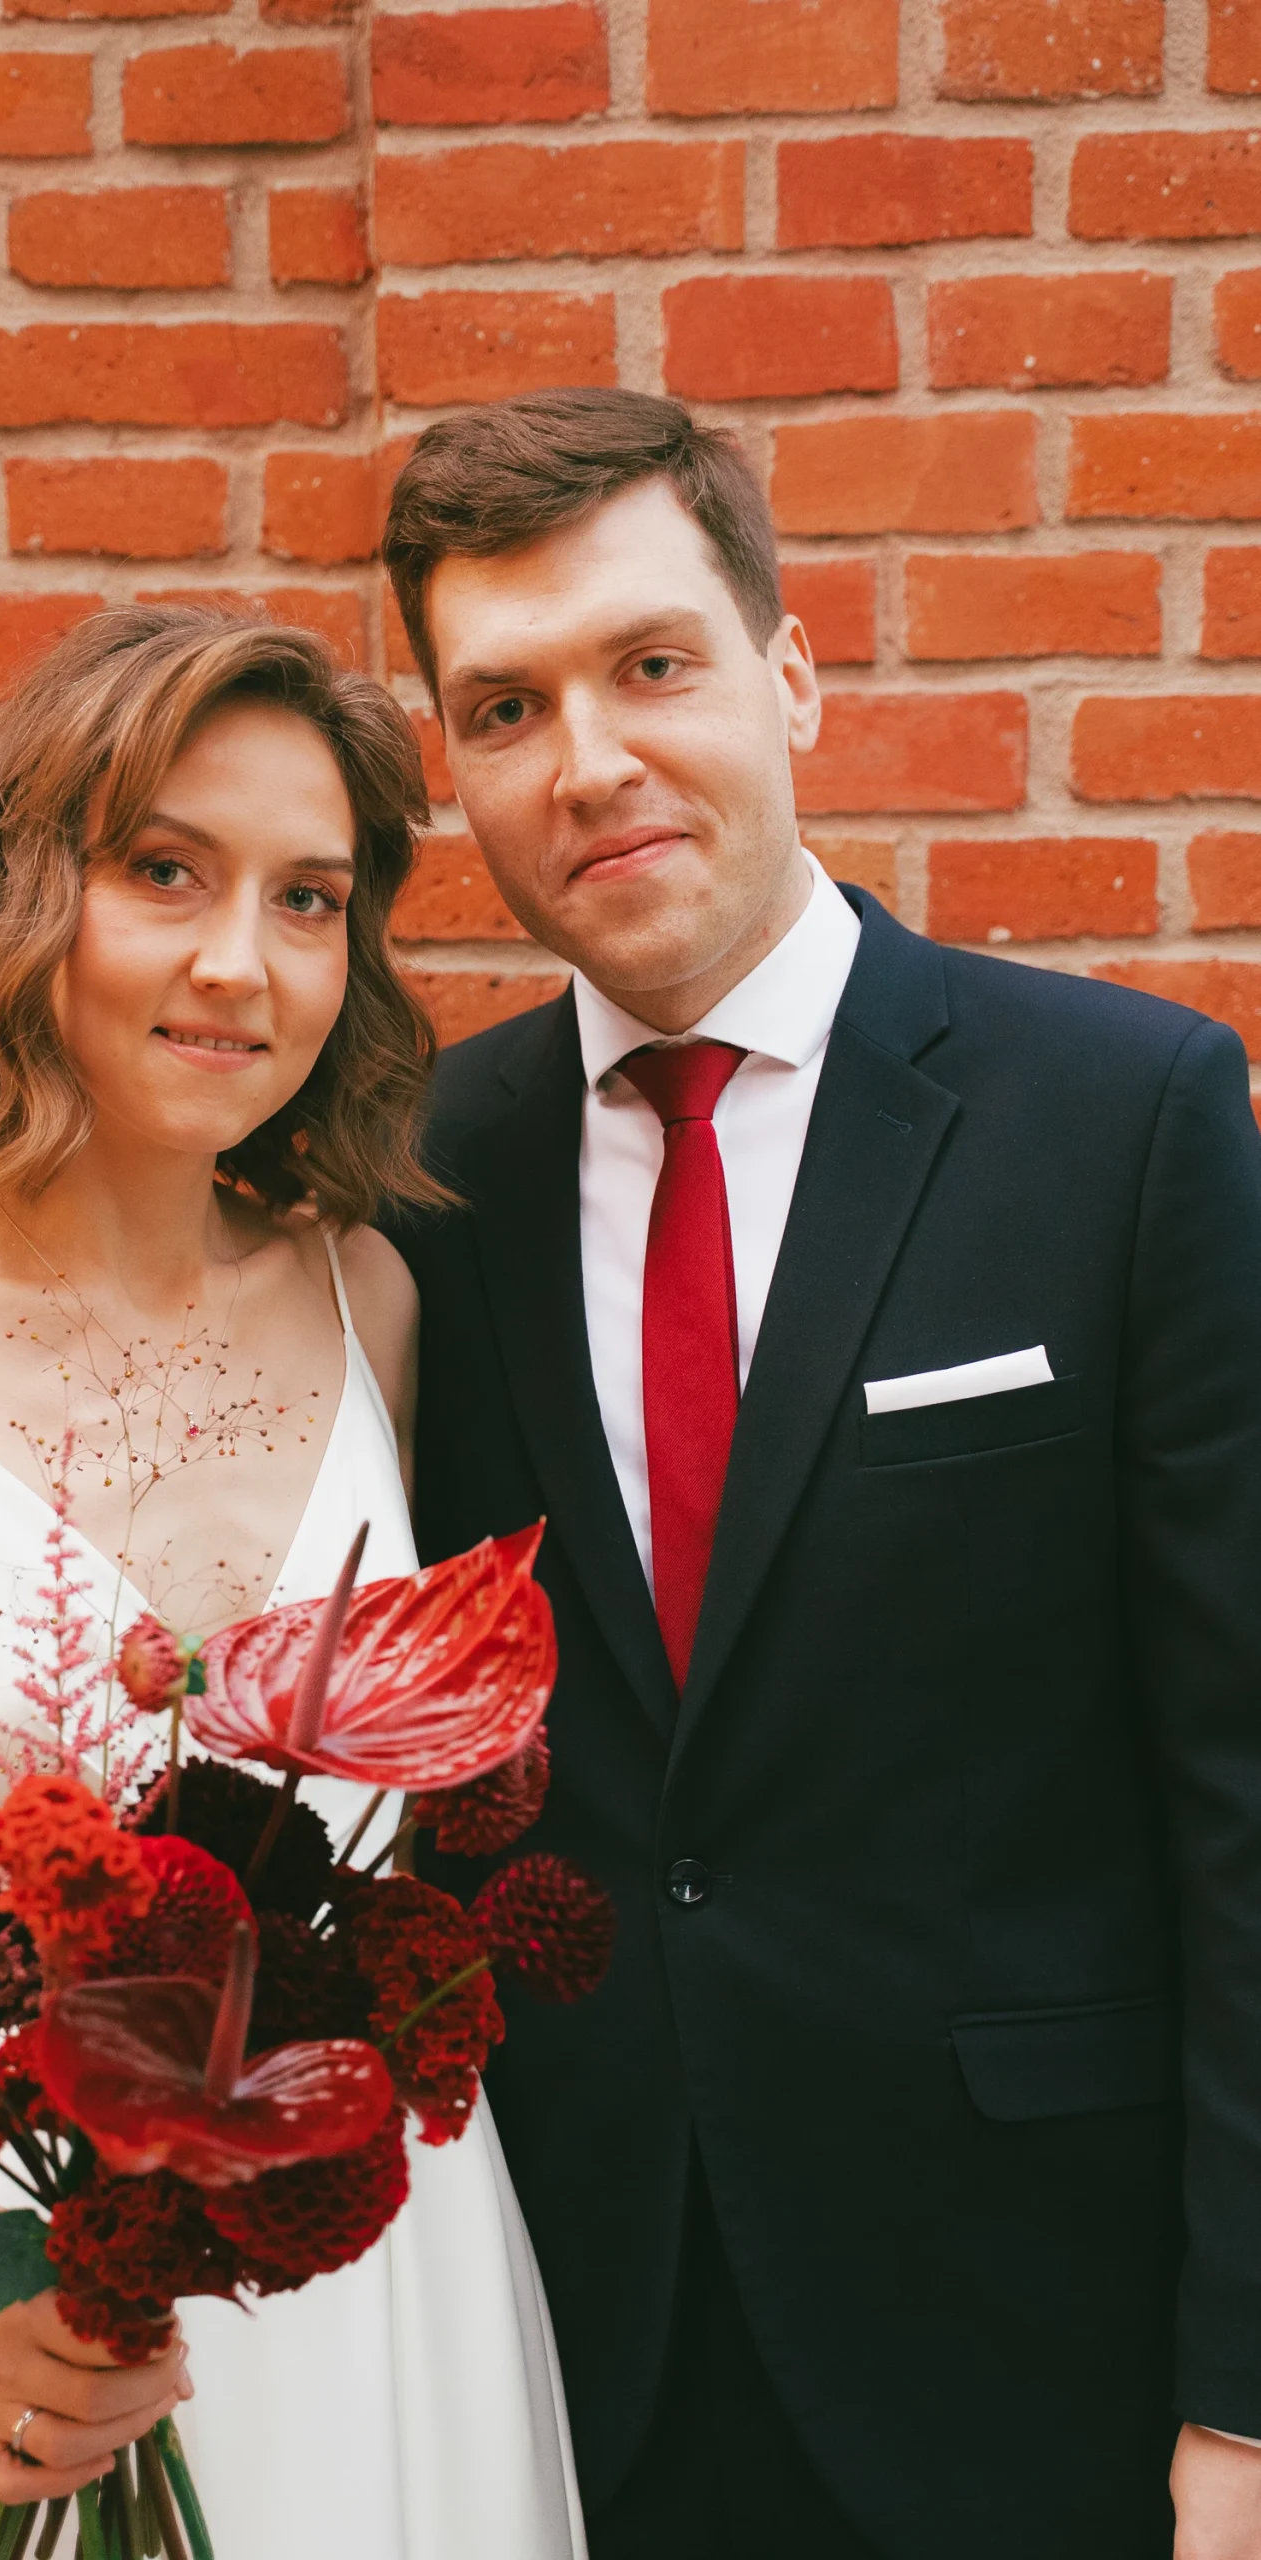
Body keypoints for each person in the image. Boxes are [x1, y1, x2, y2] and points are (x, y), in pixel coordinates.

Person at [379, 387, 1261, 2560]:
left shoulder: (1124, 1118)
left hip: (1038, 2358)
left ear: (790, 675)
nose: (588, 758)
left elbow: (1243, 1791)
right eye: (506, 706)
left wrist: (1243, 2404)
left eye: (650, 663)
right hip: (576, 2362)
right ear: (453, 769)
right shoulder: (413, 1187)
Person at [0, 608, 586, 2560]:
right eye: (166, 870)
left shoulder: (373, 1298)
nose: (243, 960)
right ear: (24, 896)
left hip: (362, 2277)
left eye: (309, 897)